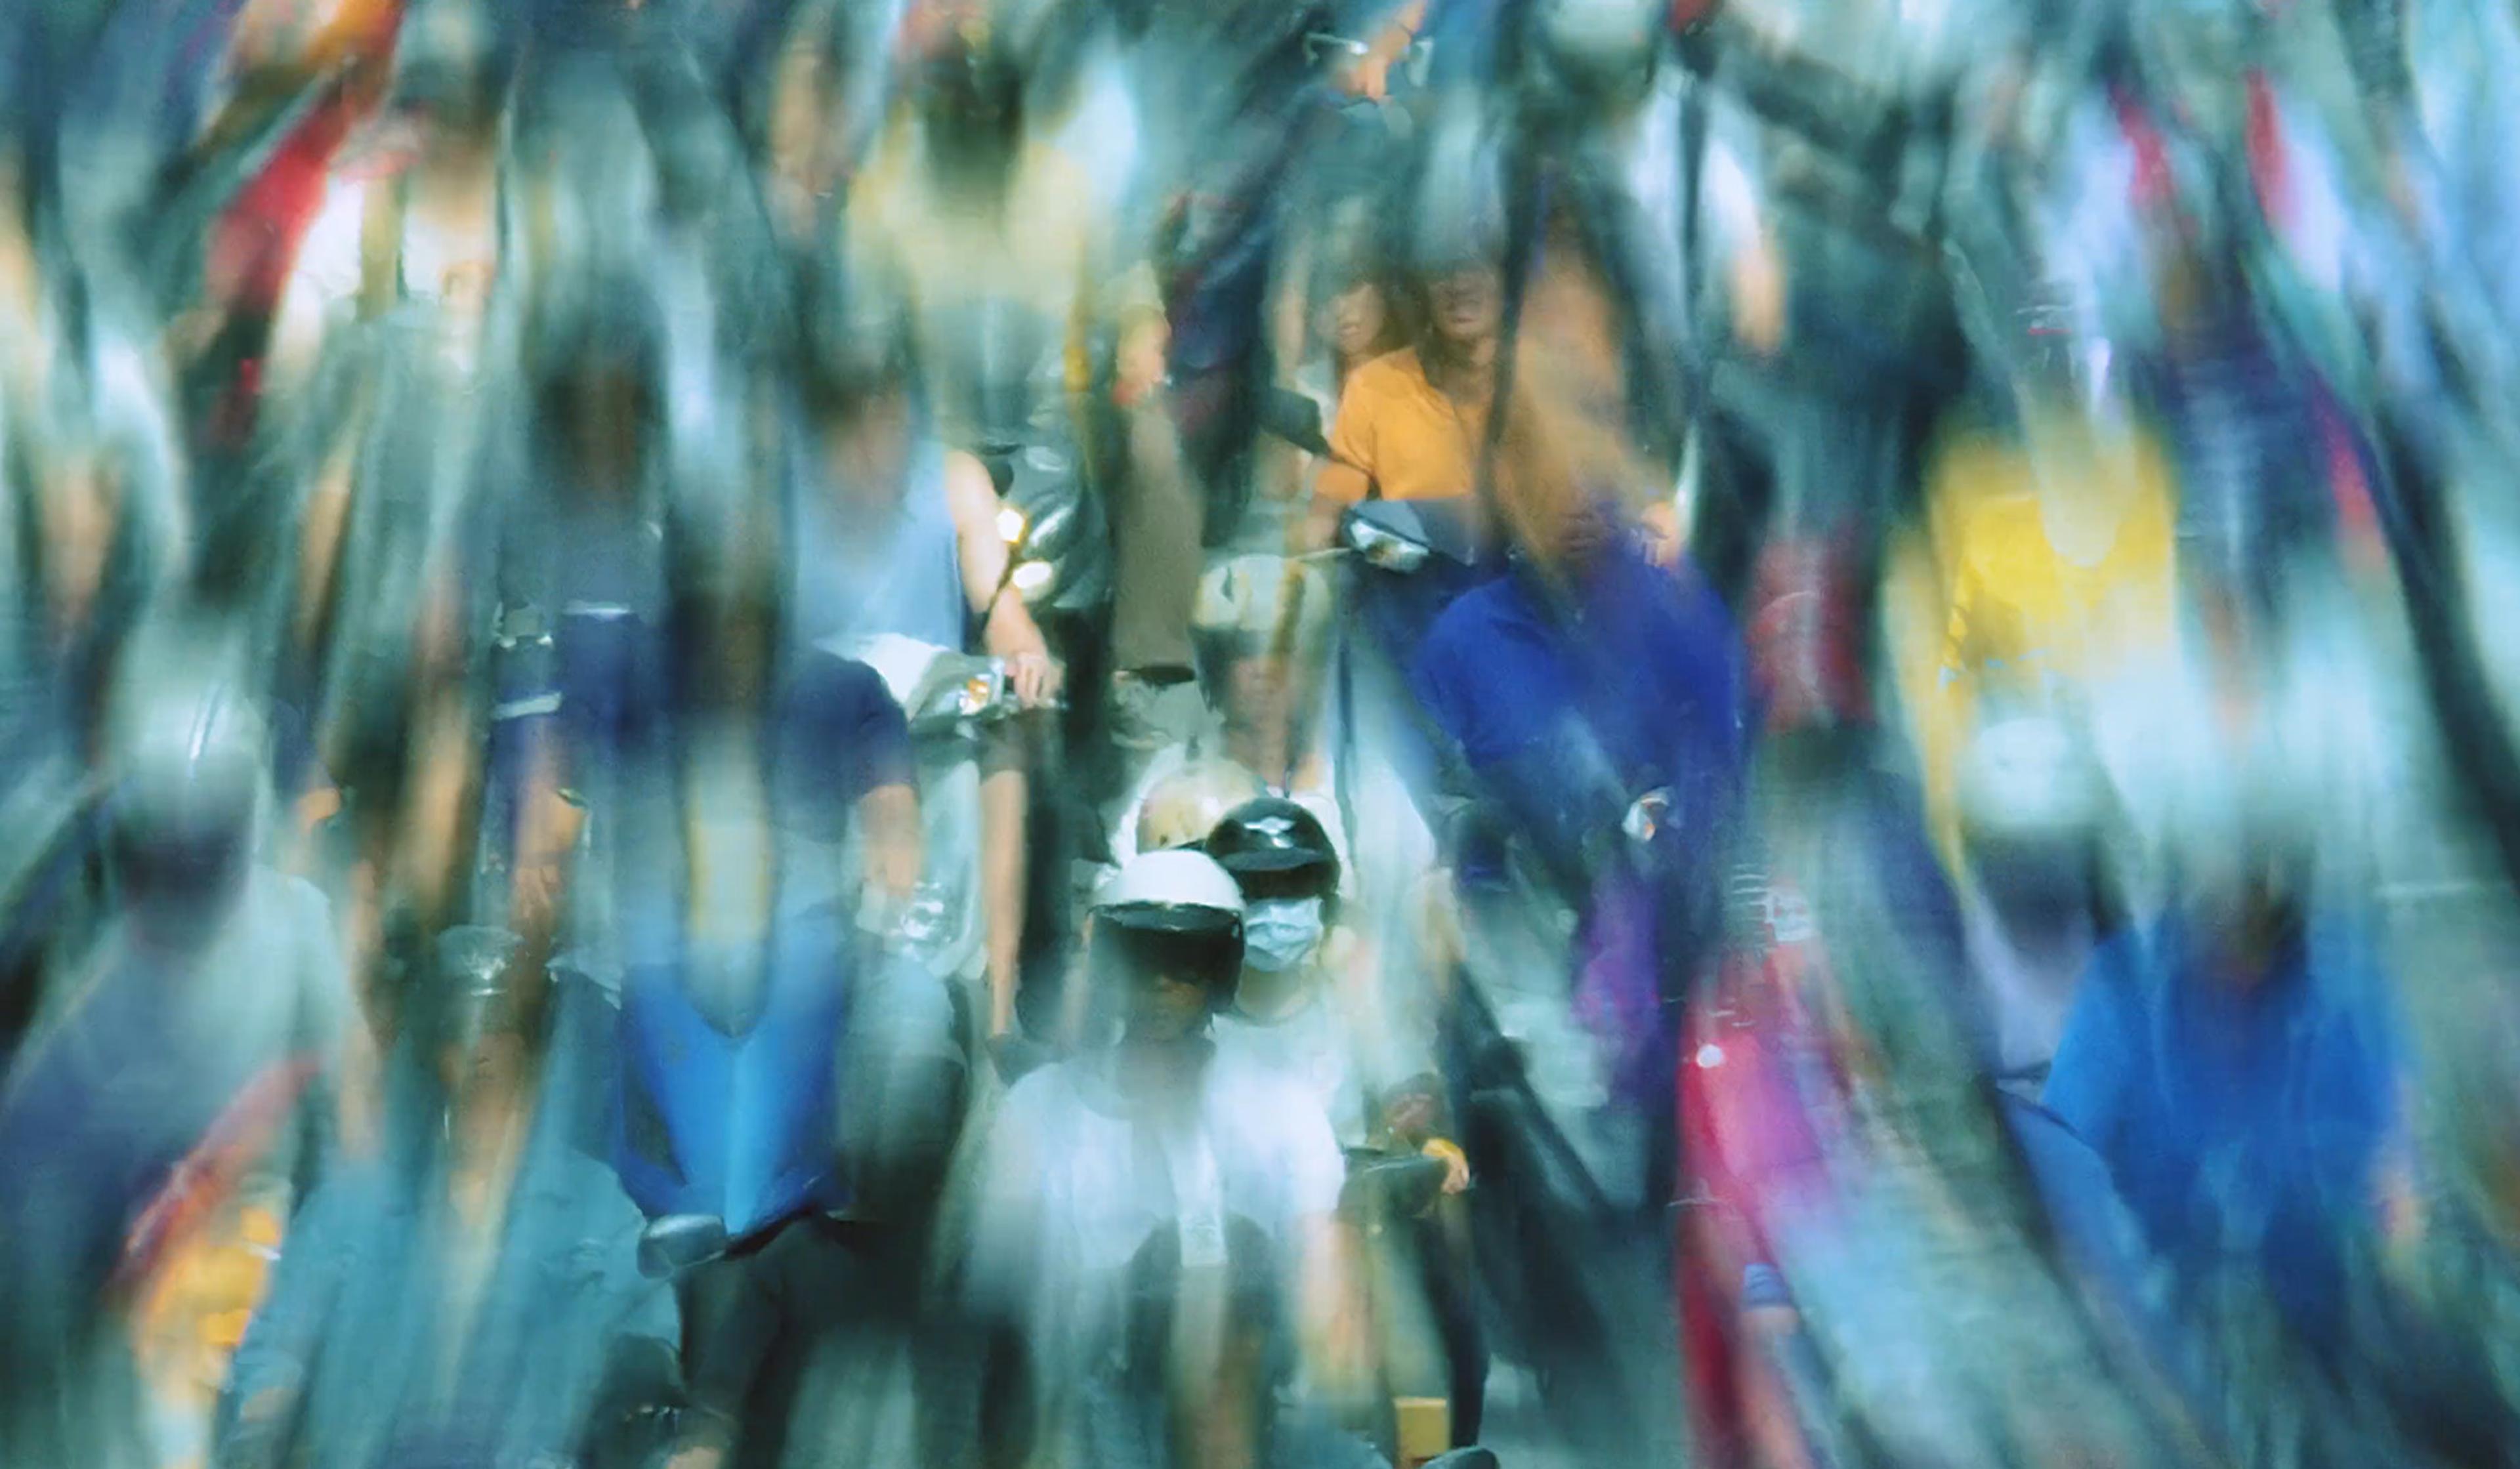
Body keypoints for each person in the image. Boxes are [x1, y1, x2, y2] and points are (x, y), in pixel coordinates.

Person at [0, 668, 352, 1469]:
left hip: (258, 1263)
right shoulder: (91, 964)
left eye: (205, 828)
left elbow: (339, 1143)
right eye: (168, 832)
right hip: (125, 1302)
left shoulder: (299, 931)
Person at [215, 925, 676, 1469]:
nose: (480, 1058)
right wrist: (263, 1421)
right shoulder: (357, 1200)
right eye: (459, 1036)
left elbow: (645, 1348)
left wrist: (650, 1412)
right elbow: (280, 1337)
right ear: (433, 1059)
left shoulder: (596, 1210)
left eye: (500, 1034)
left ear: (531, 1059)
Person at [966, 848, 1364, 1469]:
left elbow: (1321, 1260)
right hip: (1082, 1412)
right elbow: (1003, 1310)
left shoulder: (1281, 1106)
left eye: (1186, 964)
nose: (1161, 985)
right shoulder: (1040, 1108)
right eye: (1144, 959)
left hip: (1248, 1403)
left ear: (1219, 970)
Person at [2044, 772, 2404, 1357]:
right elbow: (2066, 1163)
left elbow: (2393, 1175)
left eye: (2256, 876)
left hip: (2331, 1326)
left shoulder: (2344, 986)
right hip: (2170, 1331)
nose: (2234, 902)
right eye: (2212, 877)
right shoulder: (2123, 988)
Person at [789, 290, 1062, 1038]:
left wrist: (1028, 654)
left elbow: (1000, 608)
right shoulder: (784, 484)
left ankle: (995, 983)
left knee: (1010, 719)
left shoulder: (953, 480)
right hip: (818, 708)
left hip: (932, 705)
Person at [1203, 795, 1482, 1445]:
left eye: (1293, 888)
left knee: (1424, 1355)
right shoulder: (1195, 1016)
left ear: (1324, 900)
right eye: (1256, 888)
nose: (1274, 908)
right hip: (1214, 1246)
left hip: (1351, 1232)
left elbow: (1407, 1094)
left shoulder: (1352, 1007)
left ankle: (1435, 1452)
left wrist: (1431, 1142)